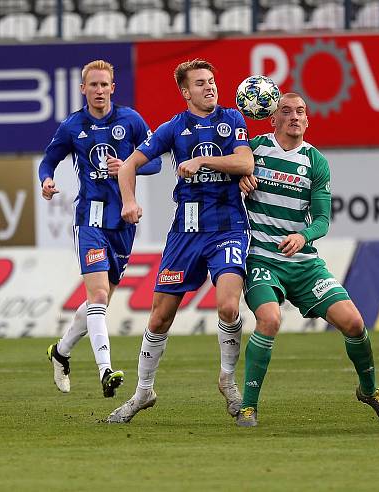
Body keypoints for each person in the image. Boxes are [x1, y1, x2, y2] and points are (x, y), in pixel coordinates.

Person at [234, 93, 379, 427]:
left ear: (307, 120)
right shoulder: (252, 150)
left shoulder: (316, 162)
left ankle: (369, 390)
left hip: (304, 263)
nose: (294, 116)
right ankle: (248, 406)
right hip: (262, 257)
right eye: (286, 111)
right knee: (269, 320)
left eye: (300, 111)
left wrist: (303, 236)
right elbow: (225, 178)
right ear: (272, 119)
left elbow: (323, 220)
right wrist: (238, 179)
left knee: (353, 323)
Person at [106, 59, 254, 423]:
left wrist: (203, 161)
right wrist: (128, 200)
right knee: (159, 318)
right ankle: (143, 392)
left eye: (212, 81)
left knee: (228, 307)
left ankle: (228, 380)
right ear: (186, 92)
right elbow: (127, 165)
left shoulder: (233, 119)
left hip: (228, 227)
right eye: (201, 83)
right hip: (185, 233)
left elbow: (246, 163)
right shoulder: (174, 127)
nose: (210, 87)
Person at [39, 59, 161, 398]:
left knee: (99, 302)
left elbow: (154, 162)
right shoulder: (72, 126)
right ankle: (105, 370)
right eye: (92, 85)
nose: (99, 90)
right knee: (98, 296)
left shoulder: (131, 120)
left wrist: (129, 168)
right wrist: (47, 180)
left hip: (123, 220)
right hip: (89, 218)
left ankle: (61, 352)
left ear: (112, 87)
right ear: (83, 89)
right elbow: (49, 160)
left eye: (104, 84)